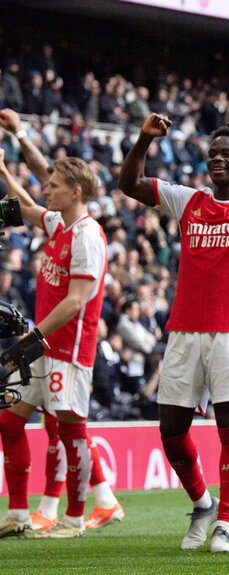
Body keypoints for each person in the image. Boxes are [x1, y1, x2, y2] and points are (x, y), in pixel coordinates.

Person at [118, 112, 229, 553]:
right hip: (183, 332)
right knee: (171, 430)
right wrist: (143, 139)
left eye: (227, 153)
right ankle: (202, 503)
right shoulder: (187, 200)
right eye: (212, 154)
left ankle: (225, 525)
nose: (217, 159)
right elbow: (129, 183)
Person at [0, 148, 123, 538]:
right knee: (9, 420)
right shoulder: (59, 225)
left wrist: (32, 336)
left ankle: (73, 518)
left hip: (68, 351)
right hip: (43, 347)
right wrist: (2, 169)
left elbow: (75, 301)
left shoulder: (88, 237)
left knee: (71, 432)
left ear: (74, 191)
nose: (45, 191)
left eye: (52, 186)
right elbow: (25, 207)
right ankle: (18, 514)